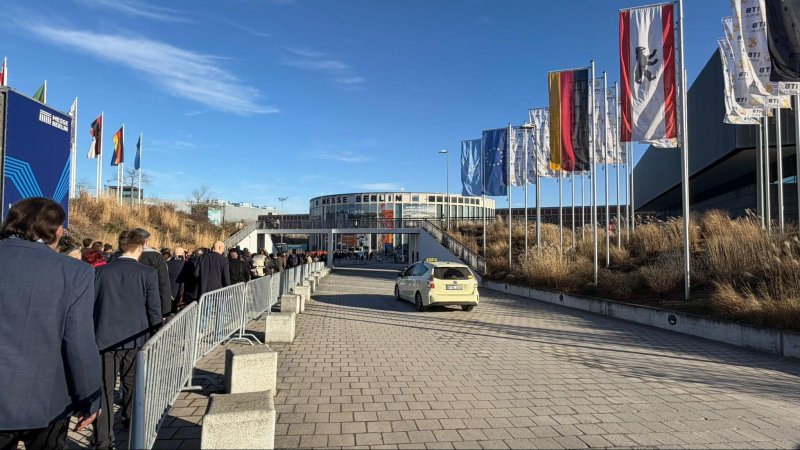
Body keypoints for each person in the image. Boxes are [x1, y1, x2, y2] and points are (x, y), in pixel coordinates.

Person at [0, 198, 101, 449]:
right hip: (48, 399)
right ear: (56, 230)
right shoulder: (74, 272)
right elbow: (78, 341)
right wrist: (89, 397)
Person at [93, 230, 162, 449]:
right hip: (136, 338)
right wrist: (156, 335)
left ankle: (103, 440)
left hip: (104, 339)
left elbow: (92, 305)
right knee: (132, 385)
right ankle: (133, 429)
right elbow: (154, 309)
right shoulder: (147, 273)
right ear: (140, 247)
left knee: (104, 390)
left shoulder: (101, 272)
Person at [132, 228, 172, 318]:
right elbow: (163, 284)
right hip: (149, 303)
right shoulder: (156, 256)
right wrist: (166, 311)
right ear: (146, 241)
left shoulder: (118, 255)